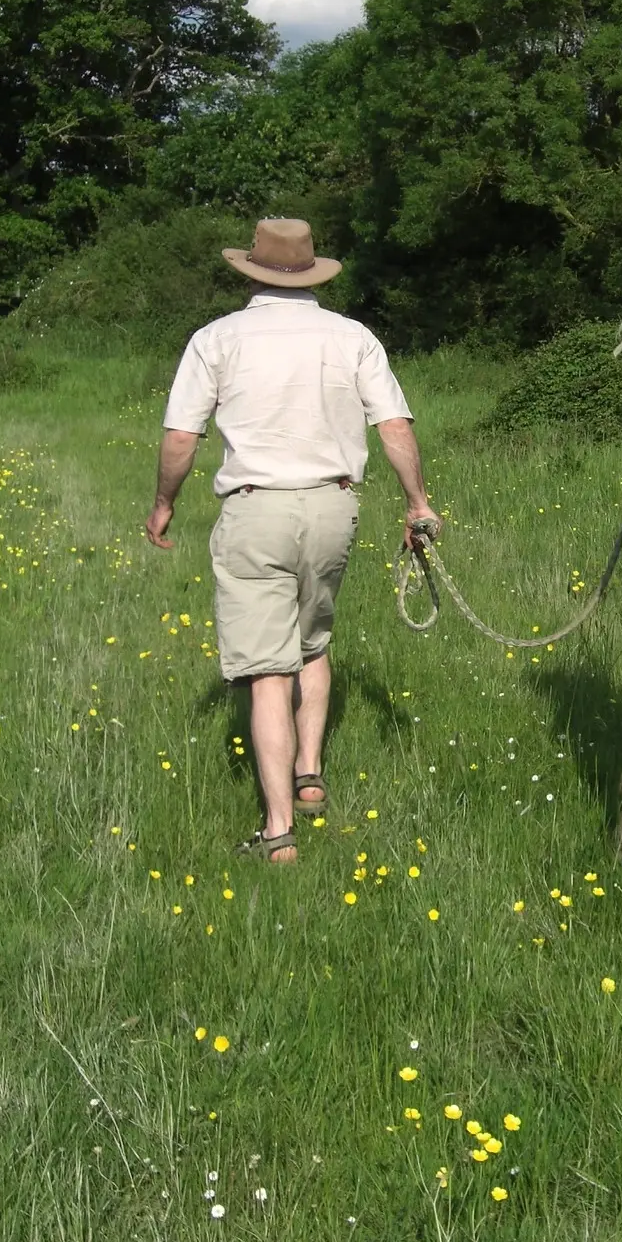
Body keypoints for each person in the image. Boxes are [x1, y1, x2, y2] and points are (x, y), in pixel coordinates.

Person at [144, 218, 442, 863]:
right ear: (312, 274)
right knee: (313, 641)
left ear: (250, 269)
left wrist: (164, 504)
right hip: (335, 506)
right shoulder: (352, 337)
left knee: (266, 672)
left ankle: (278, 831)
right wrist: (416, 503)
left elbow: (180, 439)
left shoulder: (216, 339)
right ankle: (309, 775)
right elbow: (393, 425)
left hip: (256, 511)